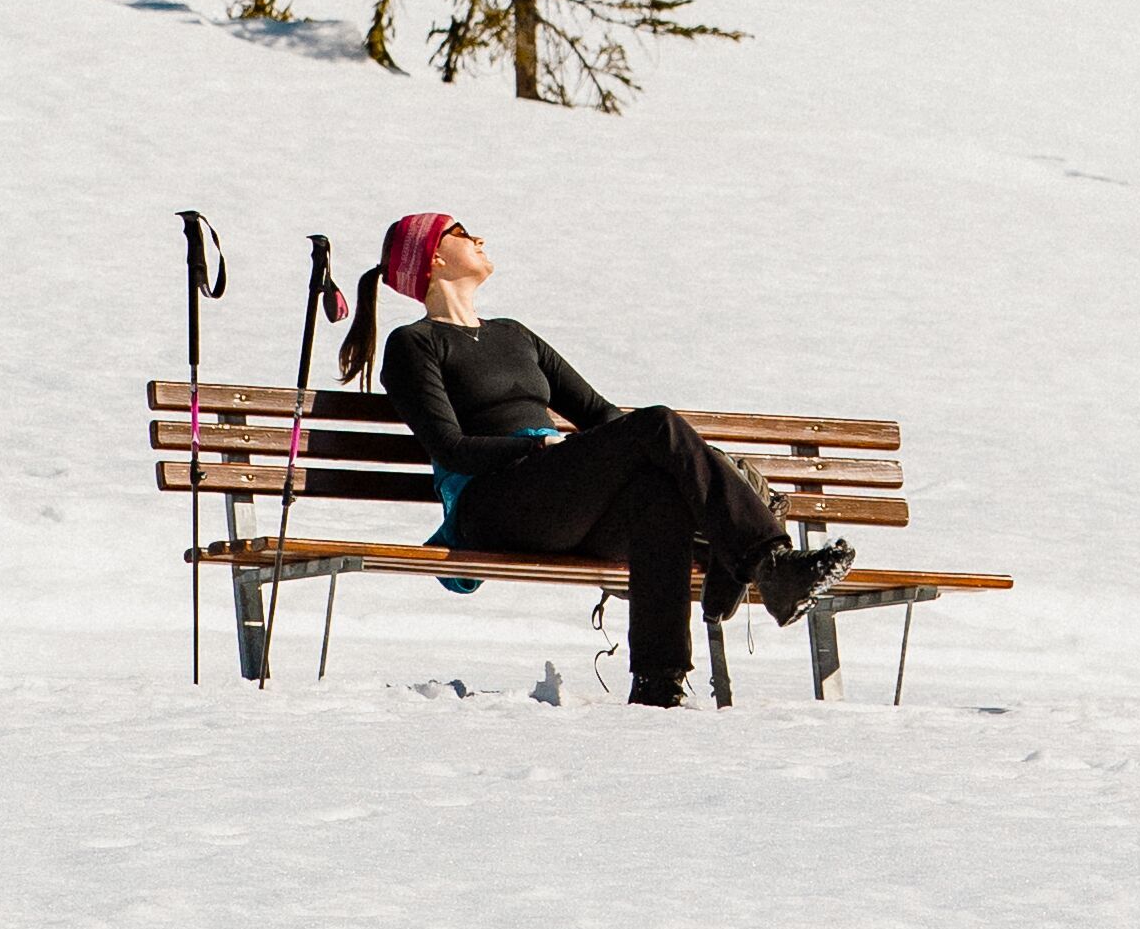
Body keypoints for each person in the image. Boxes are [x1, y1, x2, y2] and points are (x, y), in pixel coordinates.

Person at [356, 212, 848, 707]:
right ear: (433, 259)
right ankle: (766, 561)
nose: (479, 238)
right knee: (657, 422)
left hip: (560, 501)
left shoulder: (513, 334)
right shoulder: (413, 345)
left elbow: (602, 417)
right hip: (493, 506)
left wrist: (688, 466)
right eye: (462, 234)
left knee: (657, 494)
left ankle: (659, 682)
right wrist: (537, 446)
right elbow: (450, 448)